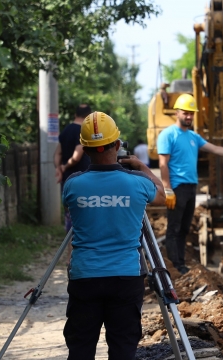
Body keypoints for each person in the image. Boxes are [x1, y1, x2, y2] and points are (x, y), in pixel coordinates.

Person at [62, 111, 165, 359]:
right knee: (123, 349)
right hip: (126, 278)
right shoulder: (138, 182)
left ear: (85, 150)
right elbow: (163, 195)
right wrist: (141, 167)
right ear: (118, 145)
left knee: (80, 349)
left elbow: (72, 212)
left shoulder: (73, 185)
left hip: (85, 276)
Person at [157, 93, 223, 275]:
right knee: (174, 228)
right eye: (185, 113)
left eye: (192, 113)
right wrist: (167, 188)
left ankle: (181, 263)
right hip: (177, 188)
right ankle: (175, 266)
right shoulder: (168, 135)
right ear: (176, 112)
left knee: (184, 229)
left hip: (191, 188)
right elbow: (163, 163)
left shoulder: (193, 136)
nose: (189, 116)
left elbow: (215, 149)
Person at [55, 104, 93, 232]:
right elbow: (77, 157)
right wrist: (65, 167)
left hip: (67, 182)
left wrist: (58, 169)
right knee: (83, 220)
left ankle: (70, 251)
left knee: (70, 218)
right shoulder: (83, 131)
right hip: (82, 179)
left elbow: (57, 153)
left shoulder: (65, 130)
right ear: (88, 116)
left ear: (75, 114)